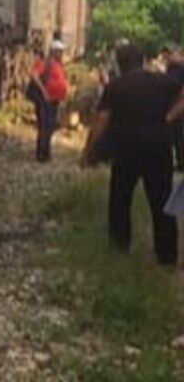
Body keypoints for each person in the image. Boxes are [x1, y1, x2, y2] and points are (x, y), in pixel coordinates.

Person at [82, 42, 184, 266]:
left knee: (120, 199)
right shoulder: (161, 81)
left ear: (119, 63)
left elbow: (101, 120)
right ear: (143, 60)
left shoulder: (116, 86)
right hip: (158, 148)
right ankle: (166, 256)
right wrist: (169, 117)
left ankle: (119, 249)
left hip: (127, 149)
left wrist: (88, 150)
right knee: (161, 202)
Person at [28, 39, 69, 162]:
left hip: (54, 100)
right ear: (53, 52)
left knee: (50, 126)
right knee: (44, 126)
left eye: (62, 52)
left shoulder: (59, 64)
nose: (61, 54)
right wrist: (44, 91)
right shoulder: (45, 63)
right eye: (60, 52)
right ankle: (42, 154)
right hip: (45, 100)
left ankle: (47, 152)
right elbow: (34, 75)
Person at [167, 44, 184, 171]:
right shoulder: (176, 67)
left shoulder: (175, 67)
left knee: (178, 134)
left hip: (177, 104)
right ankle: (180, 161)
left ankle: (180, 161)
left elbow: (175, 87)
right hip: (177, 104)